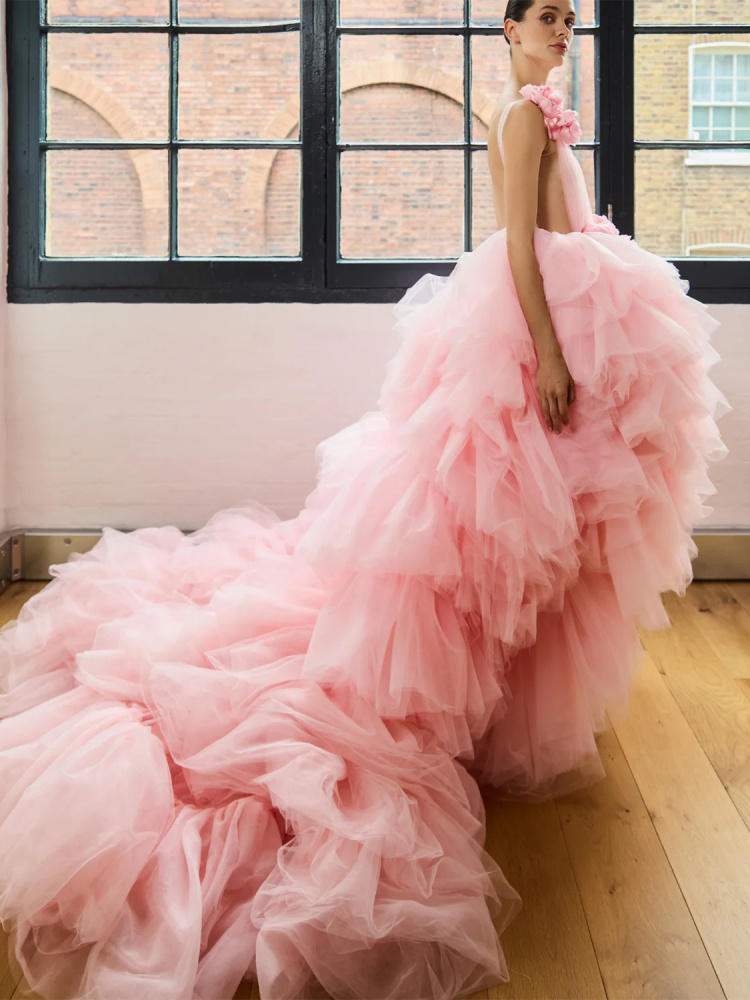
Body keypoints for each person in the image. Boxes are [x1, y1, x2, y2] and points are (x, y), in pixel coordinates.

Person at [0, 1, 731, 998]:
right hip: (535, 332)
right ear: (508, 28)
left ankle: (503, 699)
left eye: (571, 17)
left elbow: (566, 233)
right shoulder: (519, 117)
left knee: (541, 540)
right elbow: (521, 247)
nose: (564, 30)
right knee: (493, 534)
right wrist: (554, 354)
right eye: (547, 17)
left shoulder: (540, 108)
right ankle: (442, 698)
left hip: (572, 310)